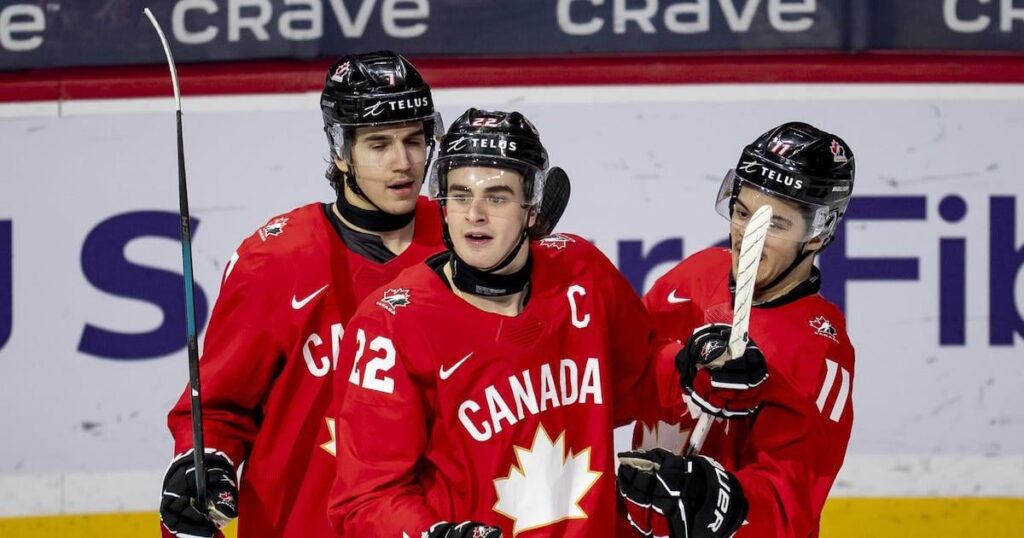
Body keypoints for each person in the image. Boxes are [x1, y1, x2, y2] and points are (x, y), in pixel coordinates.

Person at [327, 108, 658, 537]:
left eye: (497, 197)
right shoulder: (390, 325)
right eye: (460, 195)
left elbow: (643, 385)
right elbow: (364, 500)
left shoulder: (582, 272)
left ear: (533, 209)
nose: (474, 214)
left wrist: (695, 367)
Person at [159, 51, 446, 538]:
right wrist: (203, 464)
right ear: (340, 151)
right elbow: (220, 407)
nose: (404, 163)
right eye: (379, 144)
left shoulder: (463, 242)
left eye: (414, 140)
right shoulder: (277, 259)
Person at [618, 121, 857, 537]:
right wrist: (683, 363)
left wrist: (707, 495)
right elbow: (622, 375)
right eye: (743, 212)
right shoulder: (694, 276)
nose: (747, 236)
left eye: (776, 224)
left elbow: (790, 509)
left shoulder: (817, 352)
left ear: (818, 234)